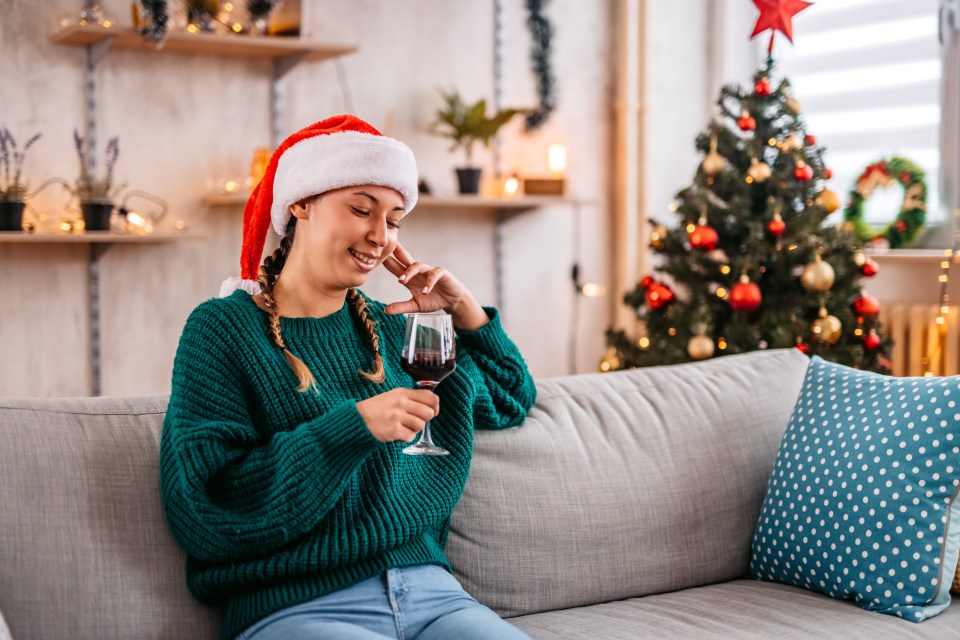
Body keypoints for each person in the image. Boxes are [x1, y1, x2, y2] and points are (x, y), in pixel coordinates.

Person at [159, 115, 537, 640]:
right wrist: (350, 428)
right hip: (299, 606)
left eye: (395, 219)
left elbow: (510, 397)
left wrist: (462, 310)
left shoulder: (395, 326)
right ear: (302, 203)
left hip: (434, 597)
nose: (380, 236)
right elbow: (206, 505)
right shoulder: (222, 329)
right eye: (361, 209)